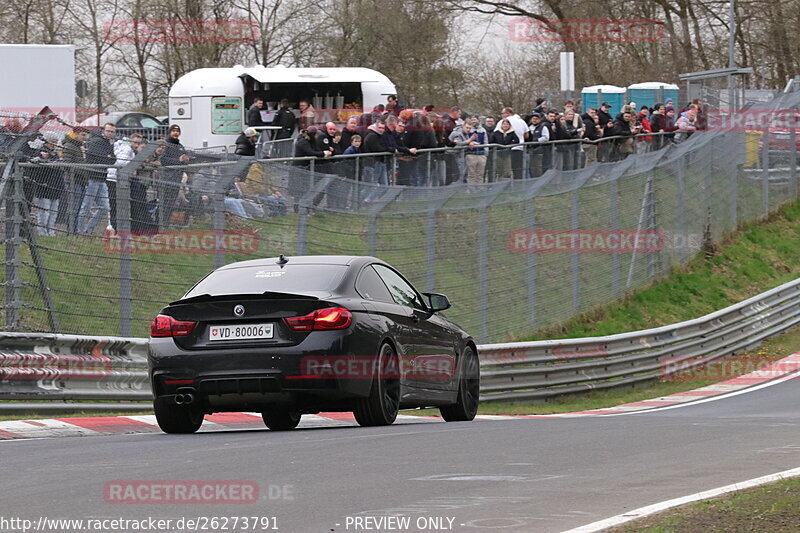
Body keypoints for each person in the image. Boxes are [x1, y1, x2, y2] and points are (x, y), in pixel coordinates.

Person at [78, 122, 116, 235]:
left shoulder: (109, 143)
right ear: (103, 130)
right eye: (108, 131)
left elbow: (112, 160)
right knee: (86, 206)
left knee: (105, 207)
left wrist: (108, 158)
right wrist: (108, 158)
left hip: (102, 178)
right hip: (92, 177)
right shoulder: (96, 141)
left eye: (112, 131)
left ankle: (88, 230)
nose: (110, 133)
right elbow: (102, 159)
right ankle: (79, 232)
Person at [31, 133, 64, 236]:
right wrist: (43, 158)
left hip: (56, 185)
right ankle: (42, 231)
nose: (54, 144)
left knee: (54, 211)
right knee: (44, 210)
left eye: (55, 142)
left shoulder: (55, 153)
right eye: (52, 141)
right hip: (44, 185)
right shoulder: (40, 151)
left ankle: (51, 231)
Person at [159, 124, 190, 225]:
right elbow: (163, 160)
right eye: (173, 131)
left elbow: (184, 161)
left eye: (177, 131)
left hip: (177, 177)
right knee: (164, 202)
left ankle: (166, 223)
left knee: (172, 202)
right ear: (169, 132)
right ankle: (161, 223)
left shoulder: (180, 146)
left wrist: (185, 160)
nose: (175, 133)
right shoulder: (166, 144)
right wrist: (178, 160)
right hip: (167, 177)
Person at [60, 127, 89, 234]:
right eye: (83, 135)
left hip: (81, 181)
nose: (84, 138)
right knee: (73, 207)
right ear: (76, 134)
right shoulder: (69, 146)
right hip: (73, 181)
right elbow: (67, 164)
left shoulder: (80, 147)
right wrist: (82, 171)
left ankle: (75, 230)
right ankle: (71, 231)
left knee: (78, 207)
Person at [494, 107, 528, 179]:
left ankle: (506, 185)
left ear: (508, 113)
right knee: (518, 169)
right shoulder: (521, 121)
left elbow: (497, 134)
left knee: (505, 169)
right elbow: (527, 134)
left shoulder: (502, 122)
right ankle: (518, 185)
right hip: (519, 147)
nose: (502, 115)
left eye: (502, 113)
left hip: (506, 150)